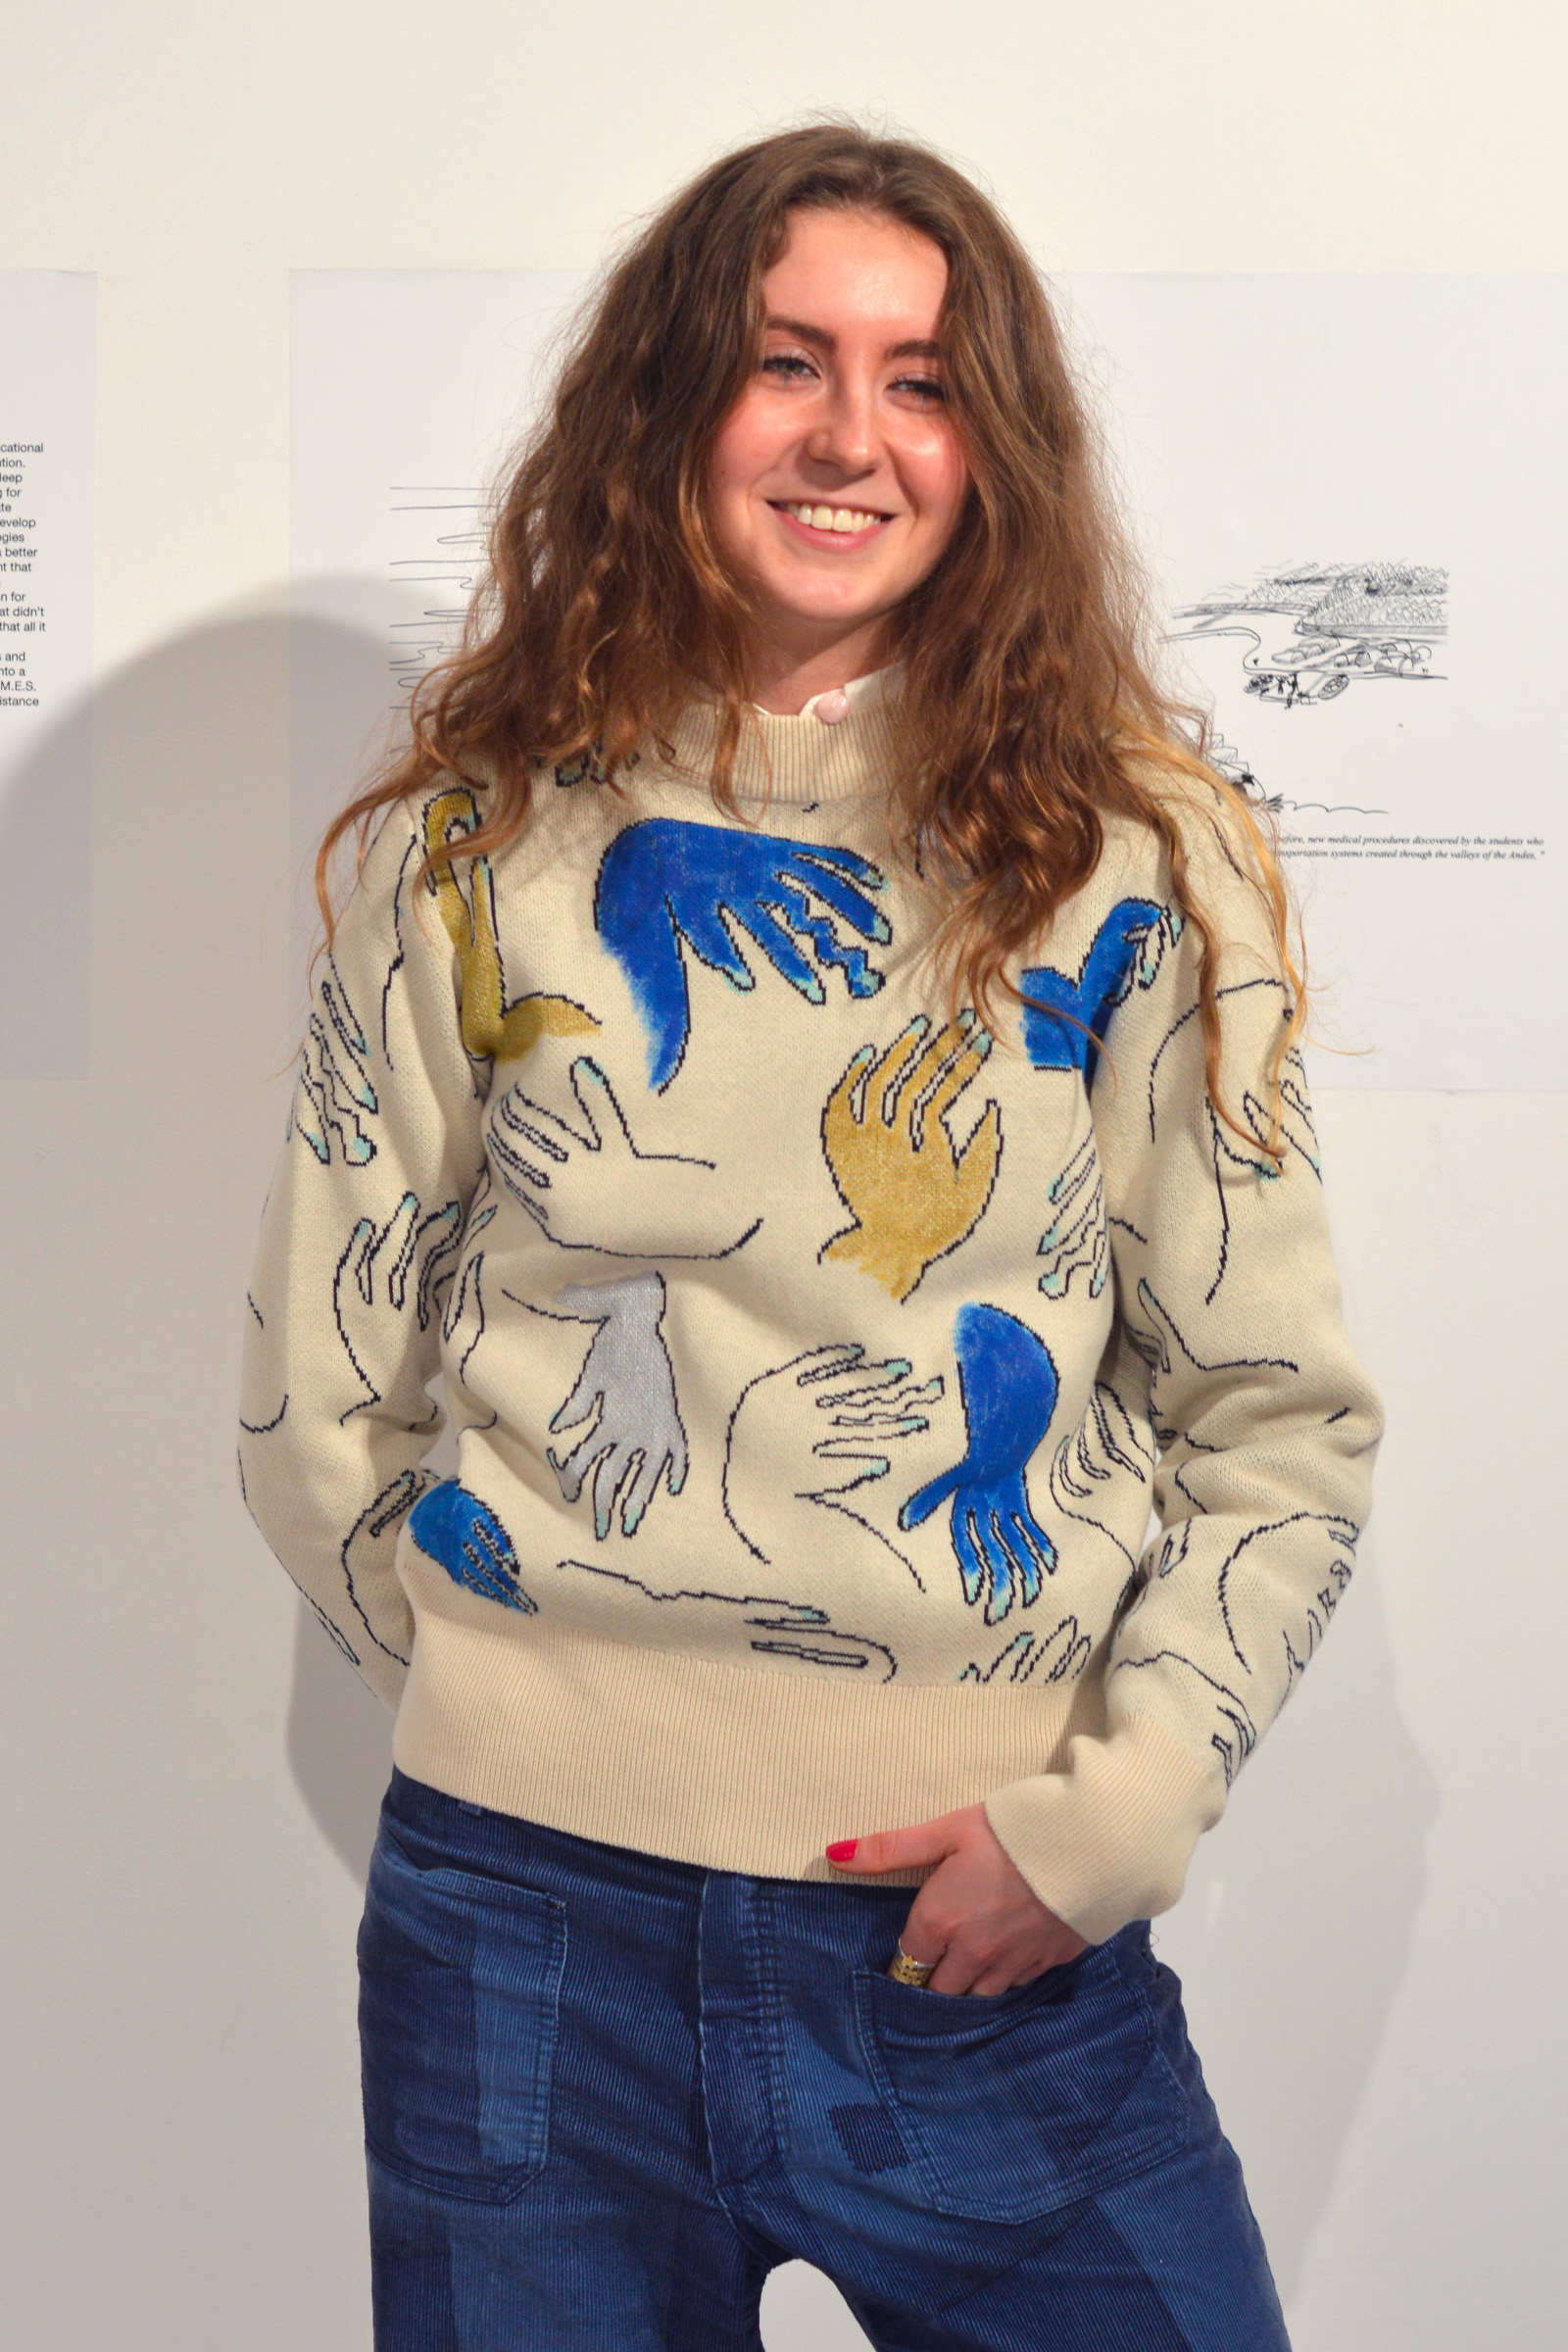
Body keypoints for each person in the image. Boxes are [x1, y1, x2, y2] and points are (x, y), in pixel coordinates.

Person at [240, 123, 1381, 2351]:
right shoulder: (472, 842)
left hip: (986, 1922)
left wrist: (1113, 1819)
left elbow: (1278, 1416)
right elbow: (318, 1381)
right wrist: (529, 1709)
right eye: (787, 363)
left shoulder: (1140, 856)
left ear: (993, 448)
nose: (853, 436)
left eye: (921, 381)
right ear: (671, 401)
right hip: (520, 1943)